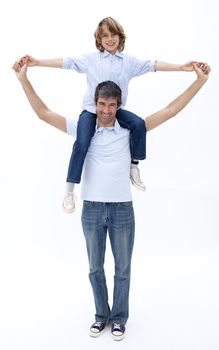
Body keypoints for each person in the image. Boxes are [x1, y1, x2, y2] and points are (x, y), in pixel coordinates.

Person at [12, 59, 210, 341]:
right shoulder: (83, 130)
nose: (106, 111)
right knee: (95, 268)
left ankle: (118, 318)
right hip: (91, 209)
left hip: (122, 211)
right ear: (95, 104)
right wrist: (23, 80)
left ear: (118, 106)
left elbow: (169, 111)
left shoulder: (129, 130)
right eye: (102, 105)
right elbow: (43, 113)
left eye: (112, 106)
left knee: (123, 269)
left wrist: (199, 82)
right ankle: (100, 316)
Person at [18, 16, 207, 214]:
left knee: (138, 124)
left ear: (120, 37)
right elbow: (66, 63)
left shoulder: (129, 62)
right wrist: (37, 62)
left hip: (116, 112)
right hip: (92, 112)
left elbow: (154, 66)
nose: (109, 39)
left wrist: (181, 67)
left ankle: (134, 166)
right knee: (82, 142)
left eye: (113, 34)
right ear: (99, 39)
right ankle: (69, 188)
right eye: (105, 35)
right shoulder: (90, 59)